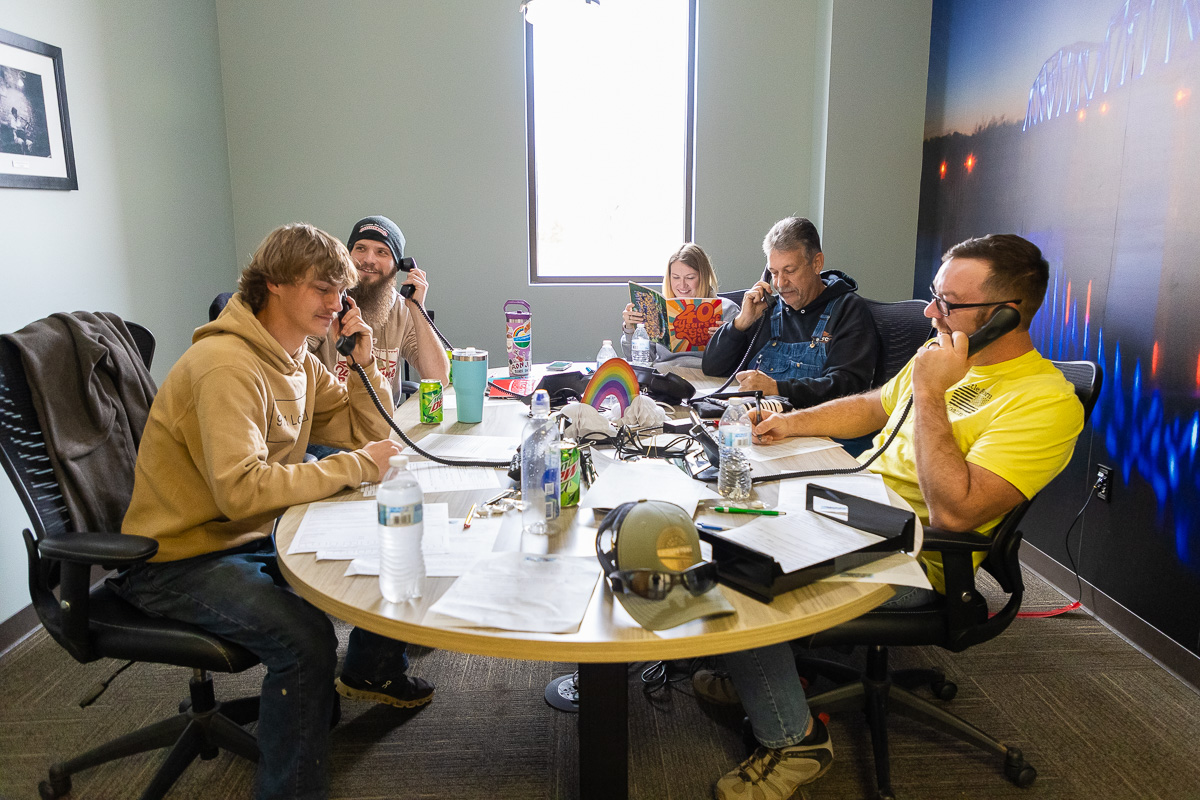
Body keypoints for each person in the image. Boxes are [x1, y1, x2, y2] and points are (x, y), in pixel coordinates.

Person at [699, 234, 1085, 799]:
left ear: (1004, 315)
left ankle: (796, 741)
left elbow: (955, 511)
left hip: (918, 557)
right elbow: (873, 405)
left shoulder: (1044, 401)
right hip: (855, 514)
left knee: (741, 574)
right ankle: (777, 668)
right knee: (723, 522)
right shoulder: (946, 358)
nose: (931, 313)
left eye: (949, 303)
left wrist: (930, 394)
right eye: (934, 295)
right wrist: (791, 422)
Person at [115, 223, 434, 800]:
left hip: (247, 537)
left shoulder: (296, 359)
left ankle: (318, 708)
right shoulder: (225, 365)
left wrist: (364, 365)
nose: (336, 303)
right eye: (322, 289)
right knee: (304, 641)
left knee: (368, 554)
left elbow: (368, 433)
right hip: (181, 558)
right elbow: (240, 490)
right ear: (275, 284)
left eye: (340, 291)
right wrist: (357, 465)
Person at [702, 217, 878, 410]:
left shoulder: (848, 310)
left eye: (790, 271)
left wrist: (777, 388)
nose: (780, 283)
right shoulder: (766, 310)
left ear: (817, 263)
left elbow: (848, 386)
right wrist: (741, 323)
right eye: (774, 272)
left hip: (818, 424)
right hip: (760, 420)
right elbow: (712, 368)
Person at [309, 215, 450, 401]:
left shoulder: (403, 309)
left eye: (382, 252)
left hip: (383, 417)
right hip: (332, 415)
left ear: (398, 265)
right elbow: (290, 359)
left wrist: (418, 308)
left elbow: (438, 378)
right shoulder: (328, 303)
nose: (368, 259)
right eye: (361, 248)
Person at [619, 243, 739, 367]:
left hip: (705, 373)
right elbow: (641, 360)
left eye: (690, 278)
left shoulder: (727, 309)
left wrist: (729, 337)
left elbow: (739, 362)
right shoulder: (660, 310)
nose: (682, 285)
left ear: (703, 277)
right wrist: (630, 328)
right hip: (663, 373)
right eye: (676, 277)